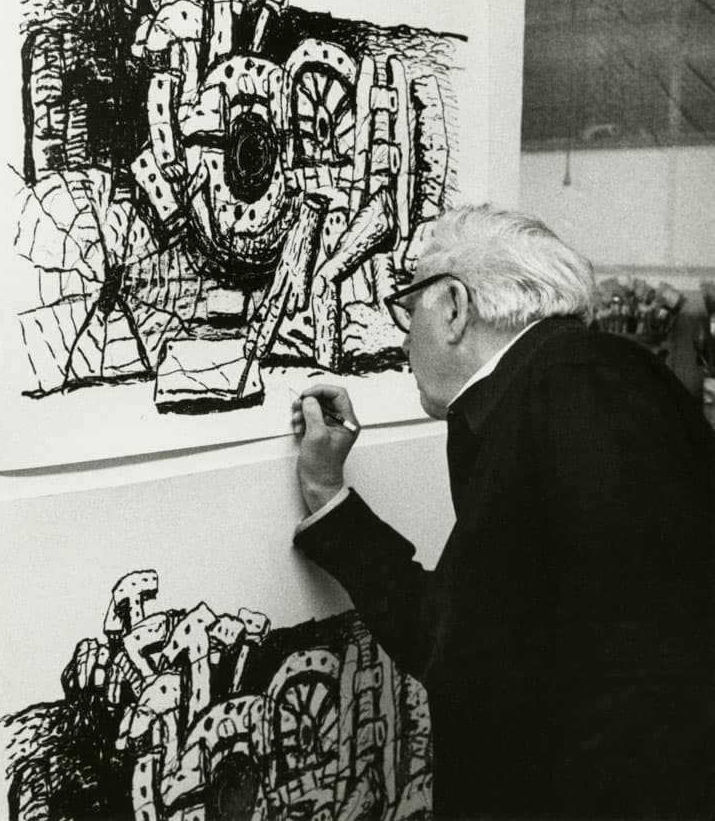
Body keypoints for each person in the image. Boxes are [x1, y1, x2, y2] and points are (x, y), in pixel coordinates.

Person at [291, 204, 715, 820]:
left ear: (456, 309)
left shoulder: (583, 387)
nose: (405, 339)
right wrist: (329, 492)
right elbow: (456, 638)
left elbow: (651, 671)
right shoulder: (555, 387)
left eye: (409, 311)